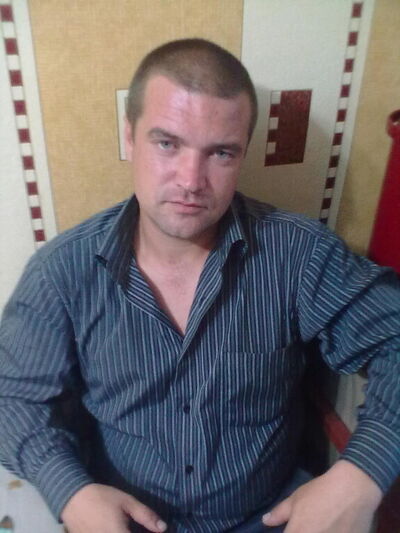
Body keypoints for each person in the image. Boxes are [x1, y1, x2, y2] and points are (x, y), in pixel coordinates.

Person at [0, 38, 399, 533]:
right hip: (121, 521)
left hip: (269, 516)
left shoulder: (300, 256)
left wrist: (362, 473)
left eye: (221, 153)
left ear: (244, 153)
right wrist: (71, 492)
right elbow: (11, 396)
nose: (191, 180)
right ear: (129, 136)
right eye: (167, 143)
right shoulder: (62, 272)